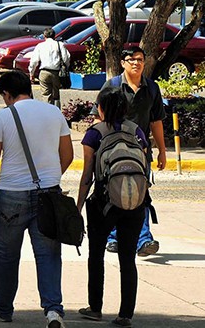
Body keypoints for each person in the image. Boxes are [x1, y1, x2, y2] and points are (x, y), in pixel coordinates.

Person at [0, 71, 73, 327]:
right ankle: (53, 310)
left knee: (5, 255)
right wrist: (48, 180)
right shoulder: (55, 113)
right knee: (49, 255)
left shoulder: (2, 117)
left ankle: (2, 307)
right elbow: (67, 155)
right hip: (49, 194)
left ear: (6, 95)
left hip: (11, 194)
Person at [76, 87, 148, 327]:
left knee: (96, 255)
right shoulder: (137, 132)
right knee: (128, 259)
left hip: (103, 204)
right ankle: (125, 314)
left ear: (101, 108)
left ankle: (95, 308)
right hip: (136, 203)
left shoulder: (94, 134)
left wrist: (78, 206)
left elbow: (88, 175)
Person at [98, 47, 166, 257]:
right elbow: (99, 117)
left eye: (140, 59)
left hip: (140, 151)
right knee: (113, 190)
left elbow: (156, 122)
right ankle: (113, 237)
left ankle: (144, 240)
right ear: (122, 63)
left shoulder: (152, 88)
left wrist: (162, 151)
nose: (136, 63)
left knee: (141, 193)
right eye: (131, 60)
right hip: (114, 150)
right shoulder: (112, 86)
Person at [29, 27, 70, 109]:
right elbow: (66, 58)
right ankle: (57, 112)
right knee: (56, 94)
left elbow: (34, 61)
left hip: (44, 72)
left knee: (46, 95)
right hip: (56, 72)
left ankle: (47, 112)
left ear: (44, 36)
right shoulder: (60, 45)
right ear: (54, 36)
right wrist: (66, 68)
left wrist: (31, 73)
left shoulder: (40, 46)